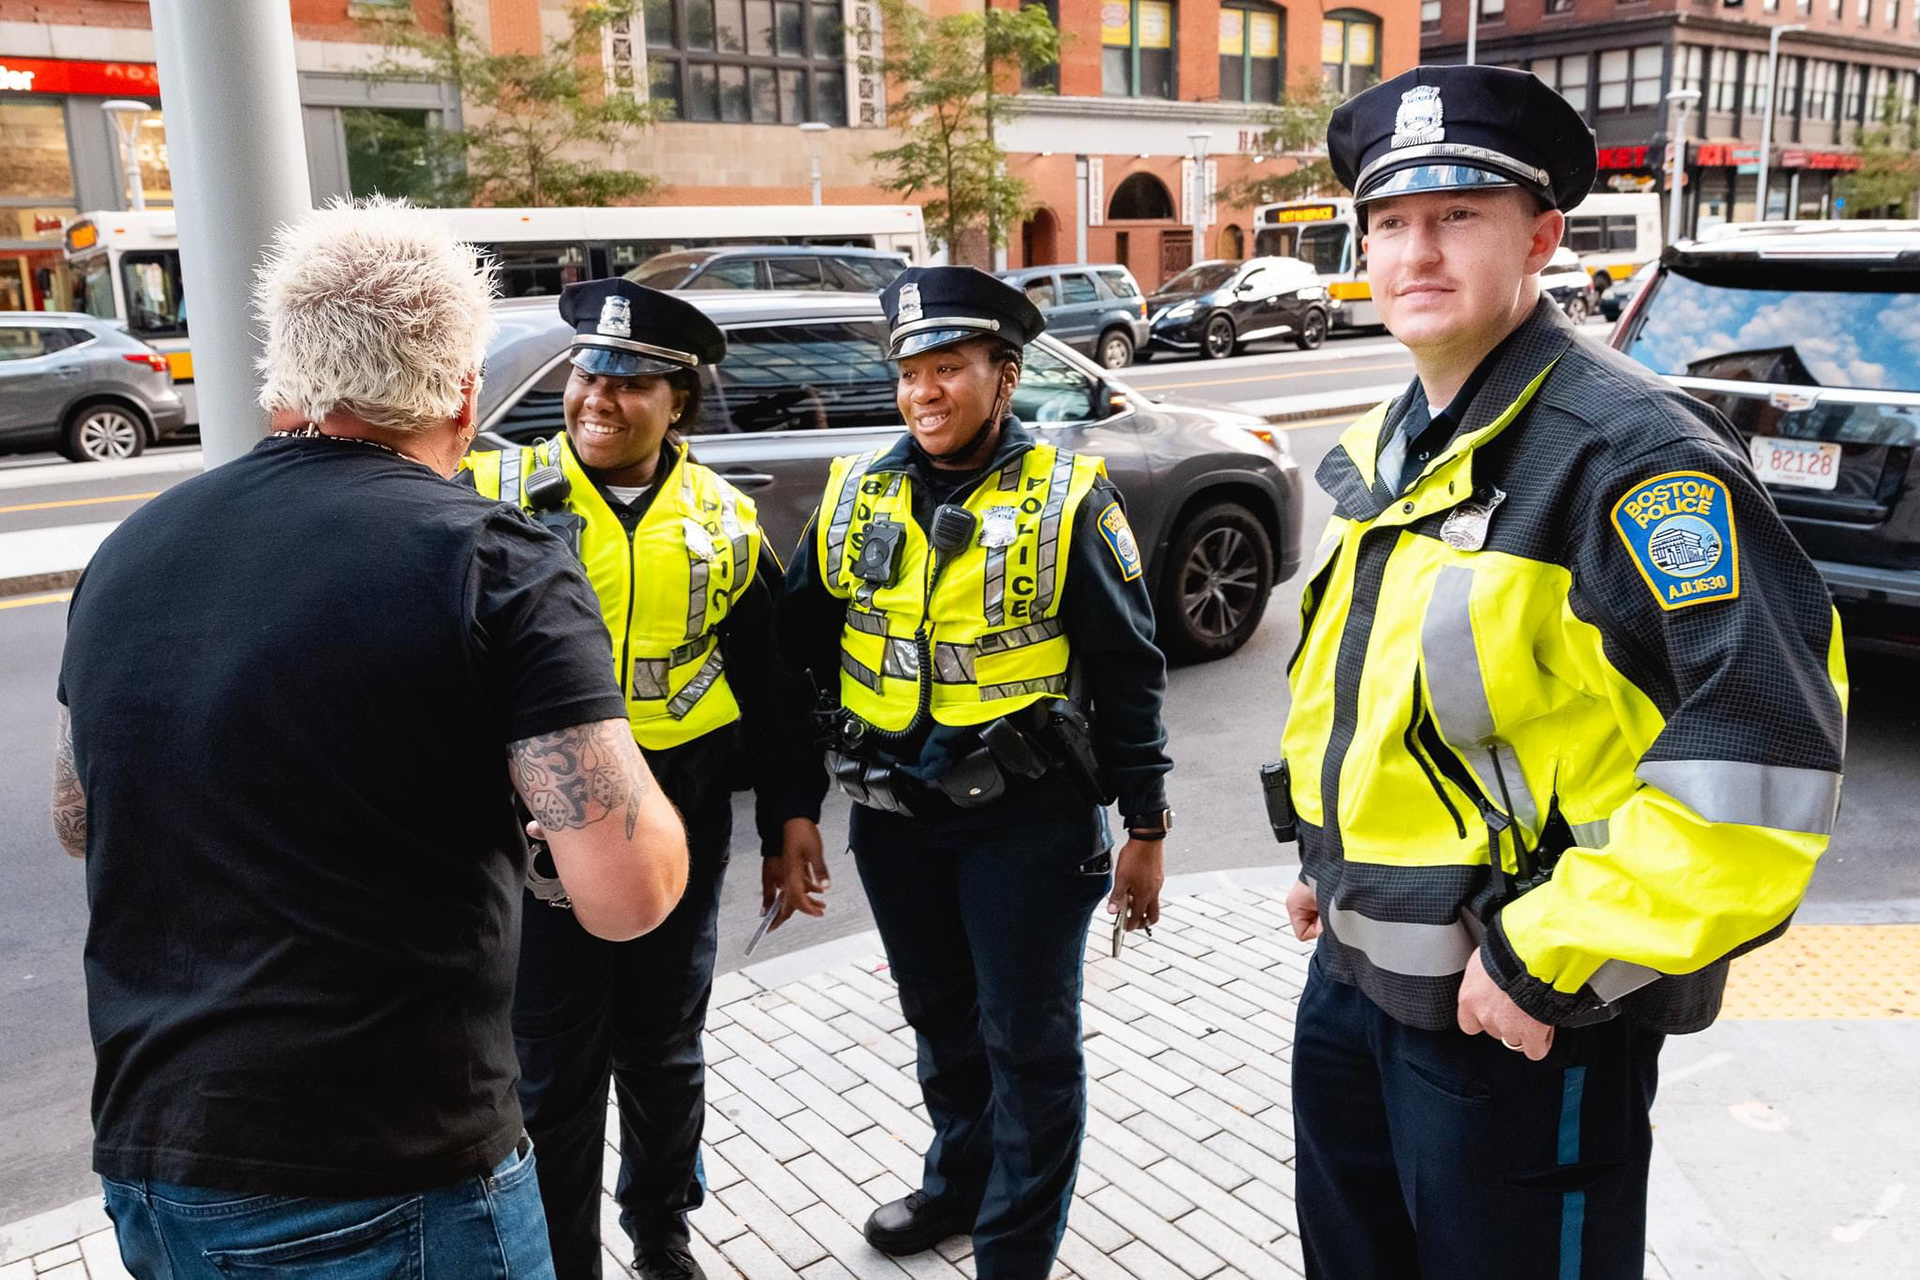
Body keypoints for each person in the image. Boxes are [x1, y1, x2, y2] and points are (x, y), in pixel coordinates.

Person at [1274, 66, 1849, 1279]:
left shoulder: (1629, 455)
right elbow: (1379, 688)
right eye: (1388, 222)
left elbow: (1763, 759)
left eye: (1456, 217)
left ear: (1539, 237)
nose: (1413, 252)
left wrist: (1546, 955)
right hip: (1358, 980)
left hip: (1521, 1014)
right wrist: (1333, 856)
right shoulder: (1403, 430)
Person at [53, 198, 689, 1280]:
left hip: (156, 1160)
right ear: (462, 390)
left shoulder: (132, 548)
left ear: (283, 375)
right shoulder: (494, 560)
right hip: (387, 1174)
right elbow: (628, 893)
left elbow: (78, 819)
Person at [781, 266, 1174, 1280]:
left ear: (1005, 378)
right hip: (896, 820)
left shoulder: (1068, 499)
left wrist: (1148, 823)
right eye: (911, 370)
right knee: (942, 1024)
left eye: (948, 367)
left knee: (1028, 1044)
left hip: (1028, 825)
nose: (924, 391)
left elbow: (1130, 670)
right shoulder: (856, 493)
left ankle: (1012, 1250)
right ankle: (958, 1187)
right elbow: (796, 644)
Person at [462, 279, 823, 1280]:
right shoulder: (502, 498)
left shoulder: (725, 519)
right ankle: (565, 1256)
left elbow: (773, 682)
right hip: (541, 825)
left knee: (664, 1045)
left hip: (681, 814)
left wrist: (795, 810)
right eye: (589, 372)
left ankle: (662, 1231)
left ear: (679, 404)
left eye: (633, 383)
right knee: (551, 1058)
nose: (600, 399)